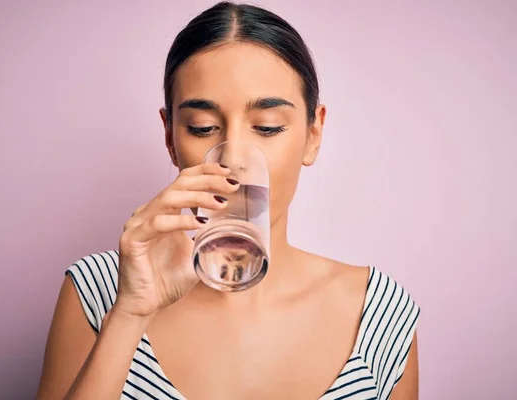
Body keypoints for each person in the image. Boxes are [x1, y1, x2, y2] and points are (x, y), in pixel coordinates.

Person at [36, 2, 420, 399]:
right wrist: (130, 313)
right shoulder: (97, 290)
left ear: (313, 133)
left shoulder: (378, 314)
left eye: (267, 128)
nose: (234, 160)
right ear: (170, 137)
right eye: (202, 127)